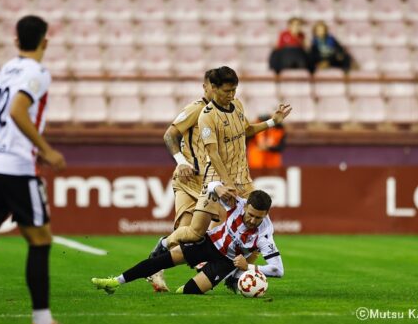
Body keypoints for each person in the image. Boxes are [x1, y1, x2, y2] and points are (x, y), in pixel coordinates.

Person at [150, 66, 291, 255]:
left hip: (242, 178)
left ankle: (237, 275)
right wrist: (183, 162)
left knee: (257, 226)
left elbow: (246, 130)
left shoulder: (237, 105)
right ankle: (164, 246)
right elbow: (211, 152)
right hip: (212, 180)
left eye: (234, 90)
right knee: (194, 234)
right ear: (212, 88)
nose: (231, 95)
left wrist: (273, 122)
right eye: (227, 91)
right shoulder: (204, 114)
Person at [0, 15, 66, 324]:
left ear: (16, 39)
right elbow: (18, 110)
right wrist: (44, 149)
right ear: (45, 41)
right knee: (40, 239)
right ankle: (42, 320)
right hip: (18, 168)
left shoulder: (6, 68)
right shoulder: (38, 72)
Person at [91, 186, 284, 295]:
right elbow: (210, 188)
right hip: (208, 243)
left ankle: (212, 276)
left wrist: (248, 267)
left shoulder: (265, 234)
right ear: (246, 206)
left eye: (258, 217)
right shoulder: (236, 204)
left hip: (226, 262)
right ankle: (114, 282)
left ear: (266, 214)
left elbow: (278, 269)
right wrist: (217, 186)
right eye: (250, 215)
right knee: (162, 260)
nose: (252, 220)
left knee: (190, 292)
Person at [147, 69, 225, 292]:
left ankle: (157, 264)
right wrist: (181, 161)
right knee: (188, 233)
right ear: (206, 88)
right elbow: (169, 135)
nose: (217, 91)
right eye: (213, 87)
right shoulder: (196, 109)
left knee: (197, 234)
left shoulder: (224, 113)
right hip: (188, 180)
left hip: (211, 183)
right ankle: (157, 267)